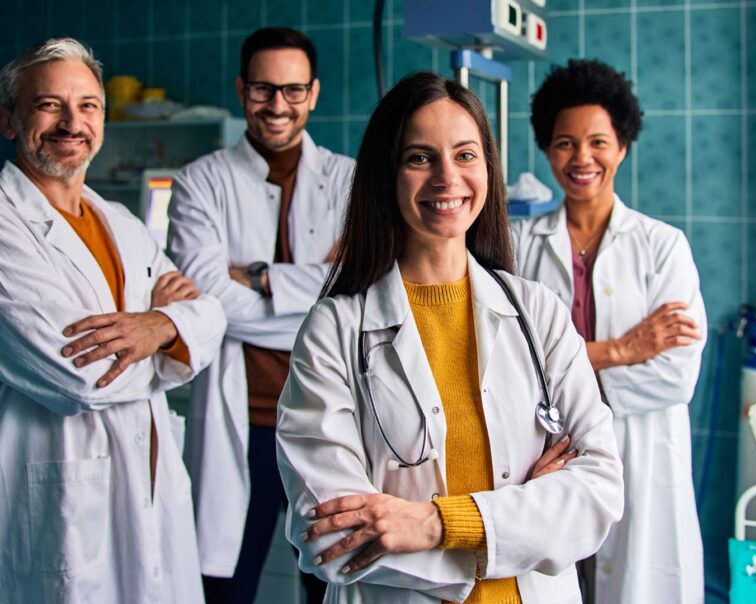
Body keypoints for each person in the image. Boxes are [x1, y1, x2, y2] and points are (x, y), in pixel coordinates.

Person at [275, 71, 624, 604]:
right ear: (385, 174)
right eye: (420, 157)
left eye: (465, 155)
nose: (447, 177)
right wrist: (525, 517)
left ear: (487, 168)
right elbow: (330, 538)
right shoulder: (334, 331)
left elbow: (597, 492)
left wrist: (432, 523)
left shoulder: (538, 314)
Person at [0, 38, 226, 602]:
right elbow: (79, 374)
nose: (71, 123)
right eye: (48, 105)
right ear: (8, 120)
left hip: (151, 485)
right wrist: (171, 330)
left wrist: (160, 327)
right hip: (60, 498)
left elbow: (210, 313)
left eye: (88, 106)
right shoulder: (6, 225)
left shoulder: (121, 222)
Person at [166, 27, 354, 603]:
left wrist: (256, 276)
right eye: (263, 89)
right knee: (226, 587)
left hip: (325, 424)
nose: (278, 105)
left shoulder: (351, 181)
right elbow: (207, 302)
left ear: (314, 93)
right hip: (241, 424)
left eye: (293, 90)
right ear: (240, 89)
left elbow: (358, 295)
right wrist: (316, 292)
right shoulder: (199, 182)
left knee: (331, 586)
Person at [512, 59, 708, 603]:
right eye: (565, 143)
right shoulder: (518, 244)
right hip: (547, 460)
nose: (582, 158)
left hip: (638, 454)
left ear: (622, 146)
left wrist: (563, 375)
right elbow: (510, 364)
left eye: (598, 142)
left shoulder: (662, 248)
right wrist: (625, 349)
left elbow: (675, 375)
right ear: (546, 149)